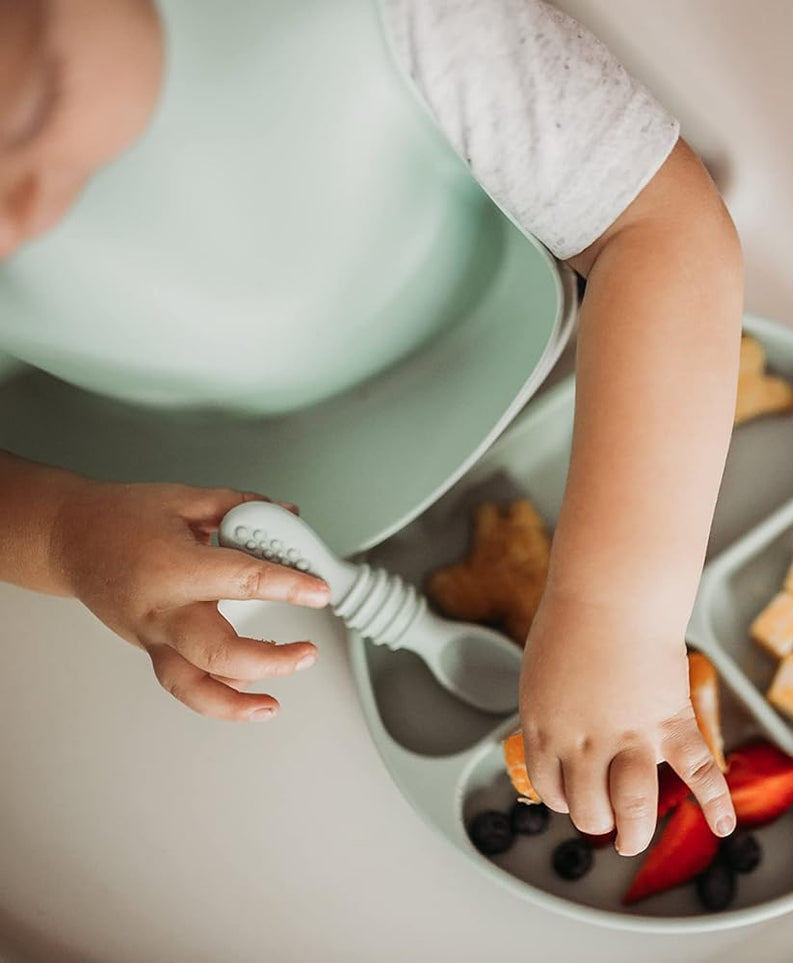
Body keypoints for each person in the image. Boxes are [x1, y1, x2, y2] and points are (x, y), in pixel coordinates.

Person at [0, 0, 740, 857]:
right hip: (174, 500)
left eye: (31, 109)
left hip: (527, 343)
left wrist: (616, 612)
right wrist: (62, 533)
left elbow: (661, 229)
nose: (15, 218)